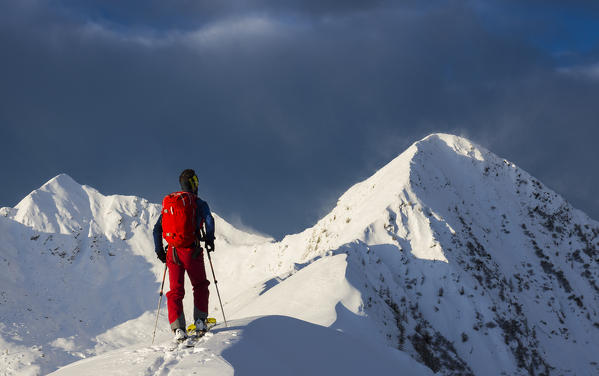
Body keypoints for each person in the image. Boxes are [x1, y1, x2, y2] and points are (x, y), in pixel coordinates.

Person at [153, 169, 216, 341]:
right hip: (191, 250)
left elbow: (157, 229)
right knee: (200, 285)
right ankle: (200, 321)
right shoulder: (198, 202)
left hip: (172, 252)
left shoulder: (172, 203)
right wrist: (209, 240)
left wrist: (160, 250)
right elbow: (209, 221)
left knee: (175, 291)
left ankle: (178, 329)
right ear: (194, 183)